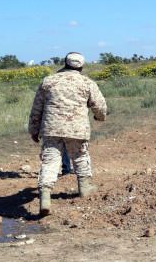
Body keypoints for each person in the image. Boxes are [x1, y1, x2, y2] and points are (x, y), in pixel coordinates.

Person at [28, 52, 107, 217]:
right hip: (77, 129)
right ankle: (84, 188)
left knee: (50, 161)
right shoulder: (87, 82)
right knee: (79, 156)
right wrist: (100, 117)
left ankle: (45, 198)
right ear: (82, 66)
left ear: (64, 63)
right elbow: (99, 106)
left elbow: (37, 107)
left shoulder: (49, 81)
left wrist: (34, 129)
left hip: (51, 128)